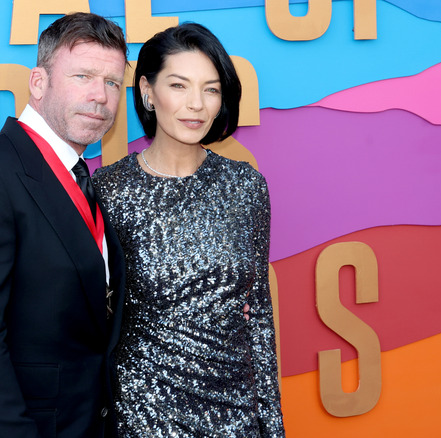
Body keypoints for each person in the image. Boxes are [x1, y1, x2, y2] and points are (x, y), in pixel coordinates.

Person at [0, 13, 128, 438]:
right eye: (83, 76)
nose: (100, 96)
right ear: (38, 83)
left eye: (112, 82)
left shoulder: (80, 177)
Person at [92, 23, 286, 437]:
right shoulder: (109, 190)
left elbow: (259, 316)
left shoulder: (245, 186)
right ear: (148, 91)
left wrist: (271, 426)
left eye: (211, 89)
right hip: (145, 415)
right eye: (179, 85)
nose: (196, 104)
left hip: (236, 416)